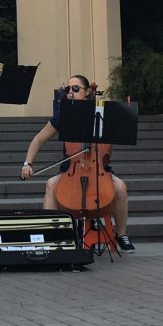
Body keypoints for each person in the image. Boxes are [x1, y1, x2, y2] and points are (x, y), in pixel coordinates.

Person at [20, 75, 135, 252]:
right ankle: (52, 236)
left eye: (75, 89)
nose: (71, 93)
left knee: (120, 187)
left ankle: (121, 234)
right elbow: (37, 140)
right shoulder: (64, 116)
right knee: (51, 184)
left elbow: (108, 155)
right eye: (68, 90)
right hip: (71, 170)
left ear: (88, 92)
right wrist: (27, 163)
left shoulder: (103, 115)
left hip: (98, 169)